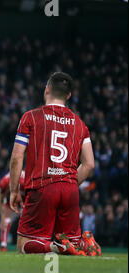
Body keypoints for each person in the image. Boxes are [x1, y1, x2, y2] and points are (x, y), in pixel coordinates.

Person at [9, 72, 101, 256]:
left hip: (42, 187)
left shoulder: (31, 117)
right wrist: (69, 183)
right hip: (70, 190)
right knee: (72, 248)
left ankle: (55, 246)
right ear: (69, 96)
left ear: (47, 90)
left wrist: (13, 190)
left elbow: (17, 157)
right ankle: (82, 243)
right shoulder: (80, 124)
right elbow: (89, 164)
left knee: (24, 245)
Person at [0, 171, 24, 252]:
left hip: (26, 196)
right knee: (6, 220)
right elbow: (1, 202)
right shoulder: (2, 184)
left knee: (26, 218)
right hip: (11, 195)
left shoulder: (24, 182)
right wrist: (2, 218)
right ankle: (3, 246)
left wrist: (24, 209)